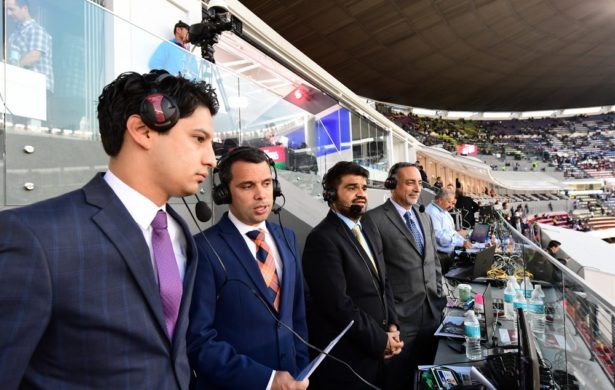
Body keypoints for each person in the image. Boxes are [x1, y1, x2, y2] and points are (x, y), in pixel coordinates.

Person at [0, 70, 219, 388]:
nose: (211, 159)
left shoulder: (181, 234)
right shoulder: (36, 238)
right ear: (143, 130)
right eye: (199, 139)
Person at [187, 147, 309, 390]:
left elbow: (297, 315)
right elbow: (199, 340)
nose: (261, 195)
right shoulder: (203, 248)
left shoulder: (288, 237)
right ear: (224, 193)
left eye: (266, 183)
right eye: (247, 186)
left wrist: (300, 368)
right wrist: (265, 380)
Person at [302, 161, 403, 389]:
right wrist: (380, 341)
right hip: (348, 360)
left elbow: (383, 280)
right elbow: (338, 305)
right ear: (331, 194)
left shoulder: (368, 227)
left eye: (364, 188)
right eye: (351, 188)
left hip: (378, 349)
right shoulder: (322, 239)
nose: (361, 194)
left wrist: (393, 327)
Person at [367, 163, 447, 390]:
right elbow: (376, 277)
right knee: (397, 381)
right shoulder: (374, 220)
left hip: (432, 315)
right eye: (410, 182)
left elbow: (435, 264)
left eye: (419, 183)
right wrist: (390, 321)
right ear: (392, 184)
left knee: (427, 379)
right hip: (401, 321)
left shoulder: (425, 218)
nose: (416, 189)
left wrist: (439, 298)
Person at [6, 0, 54, 123]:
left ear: (24, 8)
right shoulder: (14, 34)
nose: (8, 13)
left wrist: (13, 68)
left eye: (12, 9)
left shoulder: (36, 30)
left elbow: (34, 55)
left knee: (34, 126)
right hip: (18, 85)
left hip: (37, 88)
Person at [425, 187, 472, 274]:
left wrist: (464, 240)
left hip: (448, 254)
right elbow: (441, 238)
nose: (452, 206)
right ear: (440, 200)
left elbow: (452, 232)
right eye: (449, 202)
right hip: (440, 257)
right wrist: (461, 242)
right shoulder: (432, 212)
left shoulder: (444, 211)